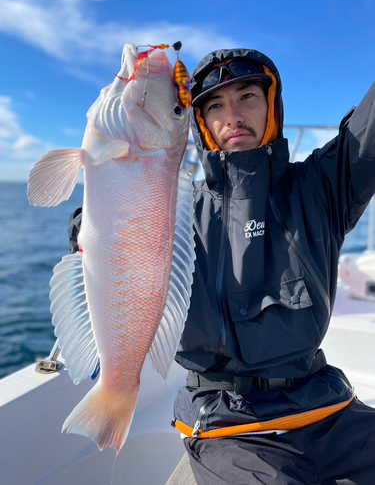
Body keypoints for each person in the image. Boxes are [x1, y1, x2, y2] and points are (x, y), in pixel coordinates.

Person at [69, 48, 375, 484]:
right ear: (201, 123)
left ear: (272, 105)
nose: (232, 115)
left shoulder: (323, 187)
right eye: (214, 105)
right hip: (229, 425)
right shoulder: (174, 210)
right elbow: (119, 250)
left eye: (247, 96)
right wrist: (90, 226)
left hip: (328, 407)